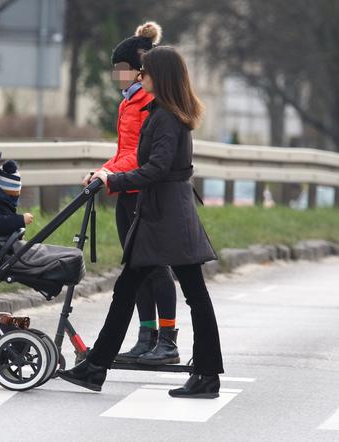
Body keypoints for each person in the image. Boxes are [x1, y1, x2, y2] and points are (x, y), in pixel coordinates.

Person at [62, 46, 225, 399]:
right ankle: (96, 367)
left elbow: (156, 168)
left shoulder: (166, 116)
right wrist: (109, 172)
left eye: (145, 72)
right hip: (163, 213)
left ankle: (206, 374)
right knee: (136, 290)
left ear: (159, 77)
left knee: (192, 293)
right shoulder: (163, 113)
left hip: (166, 216)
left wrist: (113, 181)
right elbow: (141, 158)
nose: (140, 76)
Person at [83, 21, 180, 365]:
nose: (116, 76)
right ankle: (146, 335)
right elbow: (124, 149)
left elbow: (140, 155)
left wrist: (108, 172)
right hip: (127, 189)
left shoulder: (148, 103)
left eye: (120, 70)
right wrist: (103, 170)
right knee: (134, 264)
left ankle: (167, 339)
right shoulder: (127, 103)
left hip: (144, 192)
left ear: (139, 70)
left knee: (155, 266)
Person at [0, 160, 34, 252]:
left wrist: (16, 235)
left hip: (1, 246)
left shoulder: (0, 204)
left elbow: (6, 223)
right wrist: (21, 219)